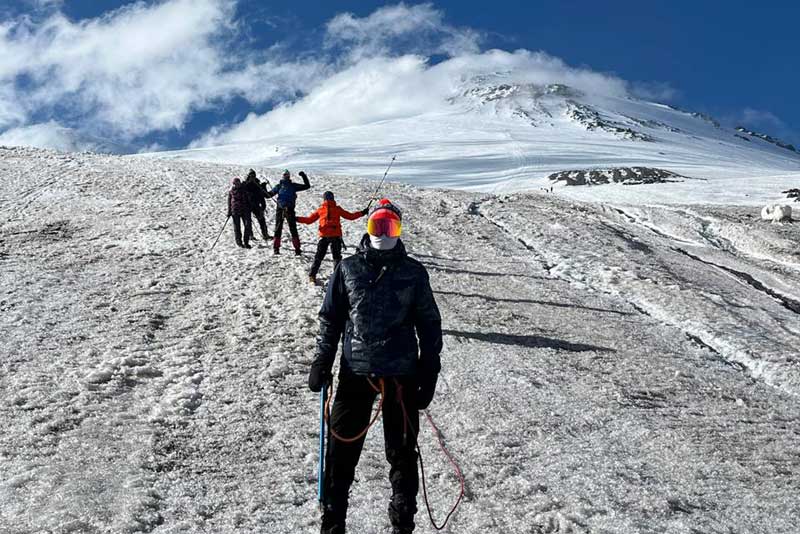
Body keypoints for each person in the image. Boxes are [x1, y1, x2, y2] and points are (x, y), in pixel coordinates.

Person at [308, 199, 443, 534]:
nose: (384, 233)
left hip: (400, 375)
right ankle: (333, 521)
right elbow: (331, 319)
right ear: (367, 229)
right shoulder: (348, 269)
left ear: (399, 229)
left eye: (390, 226)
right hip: (357, 372)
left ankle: (402, 521)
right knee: (341, 452)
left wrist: (430, 370)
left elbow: (429, 323)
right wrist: (322, 360)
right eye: (377, 225)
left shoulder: (413, 272)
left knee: (401, 452)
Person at [296, 191, 367, 284]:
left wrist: (296, 218)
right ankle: (337, 277)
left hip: (324, 236)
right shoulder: (337, 209)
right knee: (336, 258)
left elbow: (309, 220)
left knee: (319, 257)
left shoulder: (321, 209)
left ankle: (312, 275)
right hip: (336, 236)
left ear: (324, 199)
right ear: (333, 198)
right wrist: (362, 212)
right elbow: (350, 216)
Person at [265, 169, 310, 255]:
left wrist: (303, 176)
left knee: (291, 228)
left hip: (288, 209)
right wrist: (263, 187)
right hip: (282, 209)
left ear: (289, 176)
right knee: (280, 228)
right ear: (283, 176)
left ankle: (296, 249)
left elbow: (307, 186)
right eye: (285, 175)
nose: (286, 176)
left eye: (287, 175)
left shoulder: (289, 186)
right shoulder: (281, 186)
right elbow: (268, 195)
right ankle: (277, 248)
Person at [243, 169, 272, 243]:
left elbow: (262, 195)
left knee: (262, 220)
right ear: (249, 176)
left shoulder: (258, 183)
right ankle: (250, 235)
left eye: (253, 175)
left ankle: (265, 234)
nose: (252, 176)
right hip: (248, 205)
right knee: (248, 221)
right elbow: (243, 190)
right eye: (251, 175)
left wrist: (263, 206)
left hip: (256, 205)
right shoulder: (245, 184)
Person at [227, 177, 252, 248]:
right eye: (235, 183)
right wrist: (229, 211)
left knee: (247, 226)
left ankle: (246, 242)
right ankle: (239, 242)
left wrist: (250, 207)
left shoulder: (244, 190)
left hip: (245, 210)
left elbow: (248, 199)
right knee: (237, 228)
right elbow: (229, 202)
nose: (236, 185)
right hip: (235, 211)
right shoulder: (231, 191)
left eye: (238, 183)